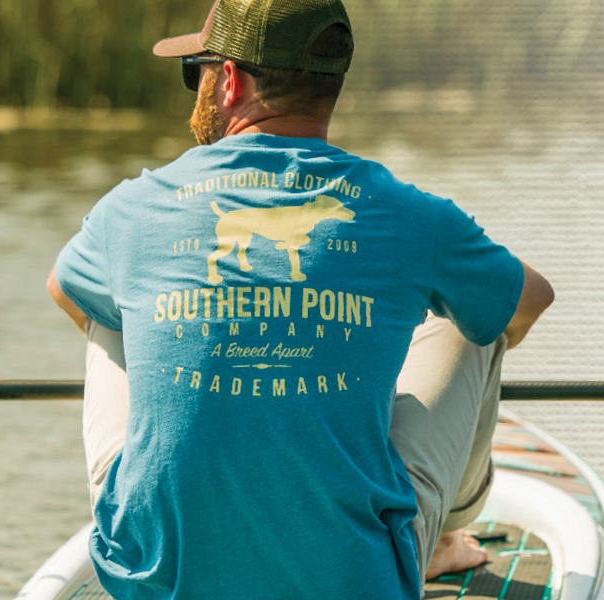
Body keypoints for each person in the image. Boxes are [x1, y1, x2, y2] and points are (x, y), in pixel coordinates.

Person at [47, 0, 554, 597]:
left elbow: (61, 288)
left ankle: (158, 513)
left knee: (104, 304)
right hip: (350, 584)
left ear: (230, 80)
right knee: (478, 316)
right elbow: (531, 300)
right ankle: (444, 536)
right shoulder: (414, 215)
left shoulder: (129, 210)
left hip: (155, 581)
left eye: (196, 72)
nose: (197, 86)